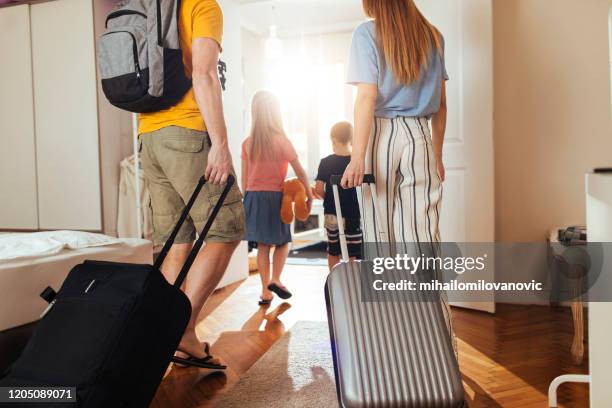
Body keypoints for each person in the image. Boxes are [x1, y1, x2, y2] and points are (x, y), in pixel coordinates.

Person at [138, 0, 244, 370]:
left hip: (148, 136)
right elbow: (204, 73)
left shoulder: (151, 7)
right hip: (188, 133)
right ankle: (182, 330)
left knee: (175, 239)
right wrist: (221, 144)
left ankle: (167, 333)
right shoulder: (203, 6)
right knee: (227, 227)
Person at [340, 0, 454, 336]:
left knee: (380, 239)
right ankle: (437, 338)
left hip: (381, 136)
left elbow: (366, 99)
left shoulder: (367, 33)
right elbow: (442, 105)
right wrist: (437, 153)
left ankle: (389, 336)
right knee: (422, 239)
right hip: (421, 136)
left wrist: (357, 155)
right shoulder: (434, 36)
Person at [242, 91, 313, 306]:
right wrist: (308, 193)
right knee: (282, 242)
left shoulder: (248, 143)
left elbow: (244, 179)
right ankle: (276, 279)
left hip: (253, 198)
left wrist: (246, 203)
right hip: (276, 197)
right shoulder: (282, 141)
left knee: (263, 246)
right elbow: (300, 172)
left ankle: (265, 292)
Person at [314, 122, 363, 271]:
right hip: (353, 213)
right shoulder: (356, 162)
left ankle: (335, 282)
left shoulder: (325, 162)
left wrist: (327, 198)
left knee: (333, 249)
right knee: (353, 250)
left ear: (333, 139)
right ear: (352, 139)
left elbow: (318, 189)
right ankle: (353, 281)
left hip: (332, 212)